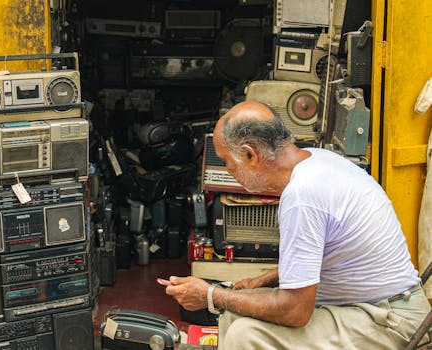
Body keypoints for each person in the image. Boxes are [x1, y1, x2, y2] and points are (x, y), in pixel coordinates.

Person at [162, 101, 430, 349]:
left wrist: (210, 295)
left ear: (250, 155)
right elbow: (326, 257)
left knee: (246, 335)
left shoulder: (303, 195)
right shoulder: (315, 160)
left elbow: (295, 311)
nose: (228, 168)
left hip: (388, 320)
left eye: (226, 161)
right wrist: (266, 279)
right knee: (234, 317)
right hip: (370, 307)